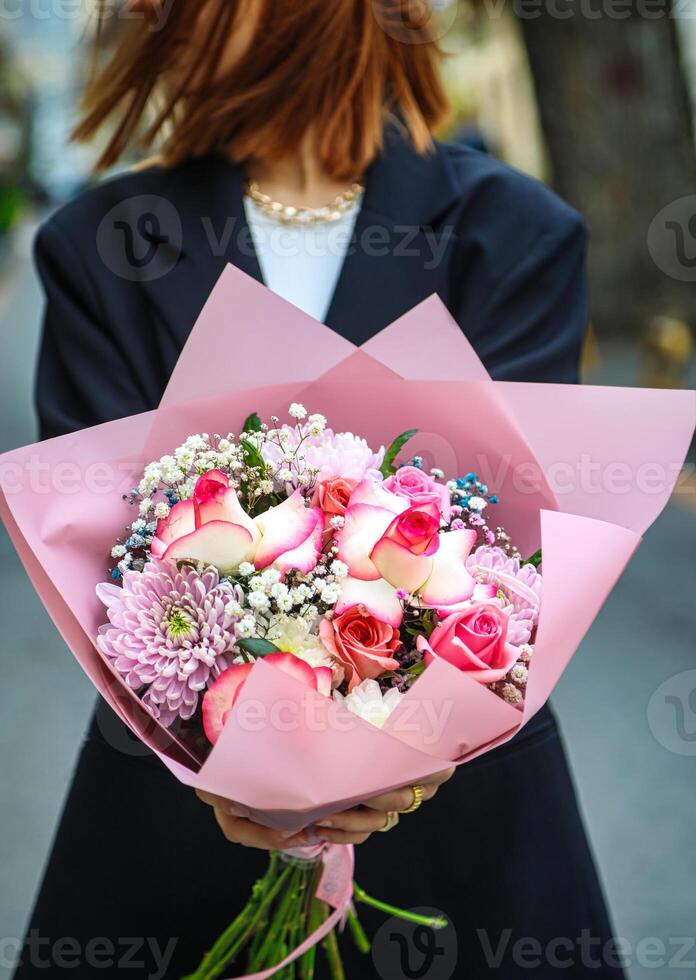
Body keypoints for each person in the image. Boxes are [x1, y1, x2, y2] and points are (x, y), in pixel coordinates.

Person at [15, 1, 626, 977]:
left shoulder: (512, 231)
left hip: (462, 824)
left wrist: (402, 751)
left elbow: (516, 560)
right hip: (178, 808)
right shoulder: (104, 241)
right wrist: (224, 756)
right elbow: (100, 561)